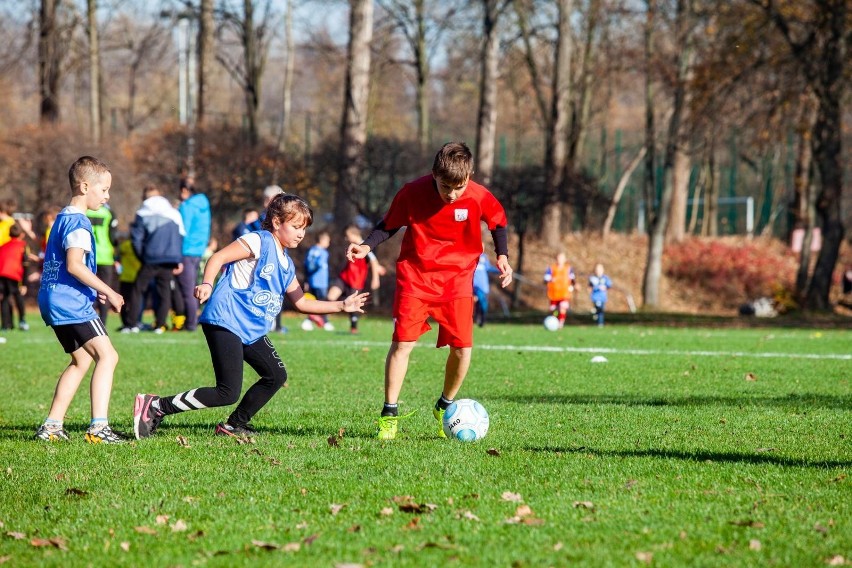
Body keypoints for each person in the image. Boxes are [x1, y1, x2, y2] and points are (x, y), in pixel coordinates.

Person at [132, 194, 369, 440]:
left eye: (304, 229)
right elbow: (218, 257)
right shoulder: (259, 240)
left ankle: (234, 425)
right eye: (296, 227)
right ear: (277, 222)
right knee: (227, 392)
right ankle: (156, 406)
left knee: (275, 376)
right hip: (226, 320)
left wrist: (342, 305)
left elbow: (301, 303)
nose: (301, 234)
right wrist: (207, 284)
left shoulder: (286, 265)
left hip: (251, 329)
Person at [346, 142, 513, 440]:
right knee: (402, 344)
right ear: (433, 174)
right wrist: (366, 245)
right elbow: (389, 224)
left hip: (458, 280)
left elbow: (498, 222)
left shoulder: (478, 195)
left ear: (469, 176)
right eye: (444, 186)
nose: (451, 194)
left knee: (462, 350)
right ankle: (389, 415)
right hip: (416, 278)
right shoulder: (412, 192)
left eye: (458, 187)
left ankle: (445, 405)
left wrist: (502, 256)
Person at [35, 156, 125, 444]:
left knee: (81, 360)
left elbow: (66, 266)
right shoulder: (78, 223)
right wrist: (109, 290)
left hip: (52, 298)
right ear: (86, 187)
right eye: (104, 190)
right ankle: (99, 427)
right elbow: (75, 265)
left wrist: (93, 287)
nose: (107, 196)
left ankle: (52, 426)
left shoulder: (61, 218)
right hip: (70, 302)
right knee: (108, 356)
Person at [126, 185, 185, 334]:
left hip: (151, 258)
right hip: (170, 259)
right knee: (164, 292)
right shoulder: (174, 213)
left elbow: (136, 239)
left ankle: (132, 323)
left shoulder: (143, 213)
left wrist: (143, 256)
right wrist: (178, 259)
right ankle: (160, 325)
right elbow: (181, 237)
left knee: (137, 290)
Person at [328, 225, 384, 334]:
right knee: (331, 296)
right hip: (344, 277)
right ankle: (323, 320)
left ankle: (353, 328)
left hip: (356, 281)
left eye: (347, 236)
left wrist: (376, 278)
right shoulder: (351, 246)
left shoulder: (365, 246)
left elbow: (373, 261)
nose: (346, 238)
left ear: (354, 235)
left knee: (353, 305)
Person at [177, 177, 212, 332]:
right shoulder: (204, 205)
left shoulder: (187, 206)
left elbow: (182, 230)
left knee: (187, 289)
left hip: (185, 250)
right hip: (198, 250)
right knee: (191, 285)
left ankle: (190, 323)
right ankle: (190, 320)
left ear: (185, 190)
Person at [86, 204, 119, 323]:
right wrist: (116, 255)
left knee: (87, 289)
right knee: (105, 291)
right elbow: (113, 236)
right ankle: (103, 322)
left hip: (88, 255)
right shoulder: (108, 213)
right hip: (105, 256)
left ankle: (87, 320)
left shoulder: (86, 211)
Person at [0, 224, 31, 330]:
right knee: (18, 297)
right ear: (22, 234)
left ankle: (6, 325)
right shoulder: (23, 245)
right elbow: (25, 265)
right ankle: (22, 321)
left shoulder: (3, 246)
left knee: (4, 298)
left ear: (9, 234)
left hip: (2, 274)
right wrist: (25, 284)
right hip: (13, 274)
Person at [303, 230, 332, 330]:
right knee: (322, 303)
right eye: (328, 241)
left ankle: (309, 321)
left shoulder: (311, 250)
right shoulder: (323, 253)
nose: (329, 243)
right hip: (321, 282)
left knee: (313, 302)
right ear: (322, 240)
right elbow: (318, 264)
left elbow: (306, 265)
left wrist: (307, 279)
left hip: (311, 281)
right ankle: (325, 322)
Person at [116, 232, 142, 332]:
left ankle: (125, 324)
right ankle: (134, 323)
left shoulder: (124, 246)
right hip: (136, 277)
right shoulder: (139, 246)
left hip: (125, 277)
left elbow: (117, 258)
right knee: (136, 302)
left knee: (124, 302)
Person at [544, 252, 575, 329]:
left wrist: (574, 285)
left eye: (562, 258)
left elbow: (573, 279)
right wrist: (551, 279)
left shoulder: (568, 269)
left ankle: (561, 323)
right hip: (553, 293)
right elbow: (546, 279)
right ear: (556, 259)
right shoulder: (551, 268)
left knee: (562, 308)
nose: (560, 260)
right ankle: (554, 321)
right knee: (554, 310)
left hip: (564, 293)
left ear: (565, 260)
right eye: (559, 258)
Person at [473, 252, 499, 328]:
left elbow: (488, 268)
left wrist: (500, 270)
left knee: (481, 304)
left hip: (484, 287)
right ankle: (481, 320)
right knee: (482, 302)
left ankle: (480, 319)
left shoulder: (484, 257)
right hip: (476, 286)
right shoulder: (472, 256)